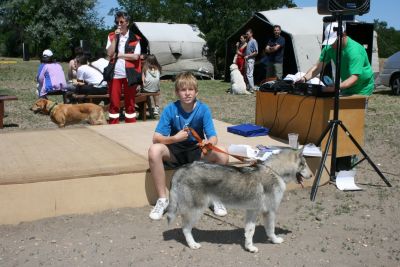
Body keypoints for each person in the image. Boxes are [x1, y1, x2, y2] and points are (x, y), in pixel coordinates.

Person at [148, 72, 229, 220]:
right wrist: (174, 138)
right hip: (174, 150)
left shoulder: (203, 109)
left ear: (196, 92)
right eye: (183, 90)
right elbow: (156, 138)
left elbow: (213, 136)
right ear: (177, 93)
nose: (187, 93)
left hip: (196, 150)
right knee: (154, 151)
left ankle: (215, 198)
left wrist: (209, 142)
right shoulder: (170, 109)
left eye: (190, 89)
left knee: (223, 153)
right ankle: (162, 200)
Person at [299, 22, 374, 96]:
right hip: (346, 86)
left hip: (362, 88)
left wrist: (332, 88)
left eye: (334, 42)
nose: (332, 45)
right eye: (330, 42)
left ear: (343, 35)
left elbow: (354, 78)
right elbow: (318, 67)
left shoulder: (355, 51)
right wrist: (304, 78)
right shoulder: (329, 48)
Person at [106, 11, 141, 124]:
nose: (119, 24)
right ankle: (113, 125)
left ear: (127, 22)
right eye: (117, 22)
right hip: (114, 74)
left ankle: (131, 125)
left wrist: (120, 55)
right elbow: (110, 53)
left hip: (129, 75)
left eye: (121, 21)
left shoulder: (135, 38)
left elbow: (136, 56)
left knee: (130, 103)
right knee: (114, 103)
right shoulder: (111, 36)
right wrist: (116, 39)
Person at [244, 29, 258, 93]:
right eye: (246, 34)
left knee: (249, 74)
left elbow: (256, 52)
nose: (247, 35)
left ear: (251, 34)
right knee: (248, 74)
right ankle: (249, 87)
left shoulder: (253, 41)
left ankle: (252, 88)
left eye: (248, 34)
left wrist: (248, 56)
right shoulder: (249, 41)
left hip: (251, 60)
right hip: (248, 59)